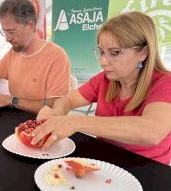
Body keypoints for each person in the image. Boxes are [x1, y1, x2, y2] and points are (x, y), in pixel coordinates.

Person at [31, 11, 171, 165]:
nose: (103, 61)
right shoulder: (104, 79)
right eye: (101, 52)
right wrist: (57, 111)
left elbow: (151, 132)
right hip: (104, 161)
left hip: (147, 168)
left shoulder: (165, 83)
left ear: (143, 53)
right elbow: (69, 99)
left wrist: (73, 122)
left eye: (115, 53)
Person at [0, 0, 71, 113]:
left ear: (30, 26)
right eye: (4, 32)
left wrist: (11, 100)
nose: (7, 39)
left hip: (44, 124)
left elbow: (55, 106)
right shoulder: (14, 53)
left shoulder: (56, 56)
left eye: (11, 32)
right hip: (16, 120)